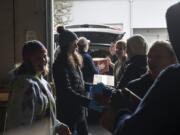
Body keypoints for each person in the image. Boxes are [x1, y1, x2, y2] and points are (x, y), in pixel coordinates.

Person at [92, 2, 180, 135]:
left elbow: (132, 129)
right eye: (149, 57)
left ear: (173, 59)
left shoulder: (171, 77)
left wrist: (121, 111)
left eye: (158, 57)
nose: (151, 61)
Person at [4, 40, 71, 135]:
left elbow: (44, 115)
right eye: (37, 58)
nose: (43, 60)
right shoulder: (24, 86)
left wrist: (58, 125)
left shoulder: (43, 83)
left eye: (44, 56)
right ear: (28, 60)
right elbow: (18, 124)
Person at [52, 26, 103, 135]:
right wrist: (89, 102)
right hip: (68, 112)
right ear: (66, 44)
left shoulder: (74, 61)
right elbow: (66, 91)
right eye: (74, 42)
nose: (76, 45)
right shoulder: (59, 65)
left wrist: (92, 86)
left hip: (79, 110)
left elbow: (79, 83)